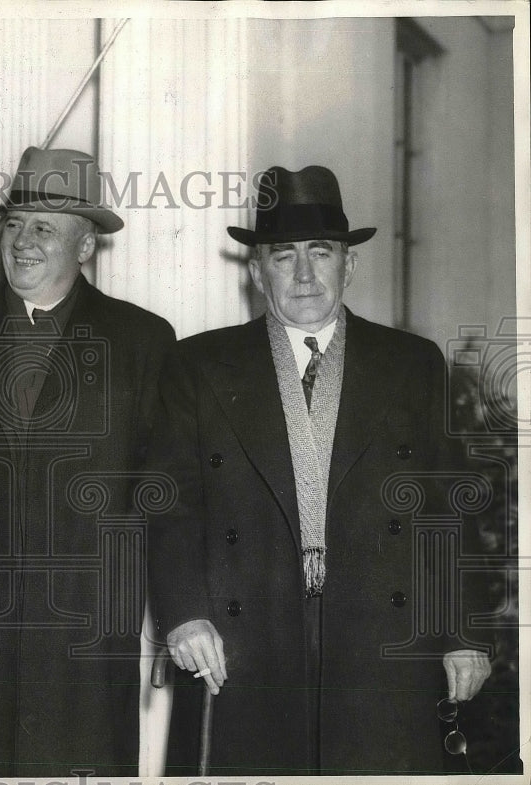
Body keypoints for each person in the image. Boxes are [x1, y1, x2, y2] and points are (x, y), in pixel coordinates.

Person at [148, 165, 492, 776]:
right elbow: (172, 503)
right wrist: (182, 613)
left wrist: (463, 632)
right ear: (256, 272)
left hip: (380, 635)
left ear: (348, 265)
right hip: (242, 636)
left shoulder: (411, 363)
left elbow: (446, 509)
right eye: (283, 257)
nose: (304, 274)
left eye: (321, 253)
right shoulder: (200, 364)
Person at [0, 147, 175, 777]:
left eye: (45, 227)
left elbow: (163, 492)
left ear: (86, 247)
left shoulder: (144, 342)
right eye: (15, 223)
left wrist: (171, 611)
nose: (22, 241)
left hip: (84, 637)